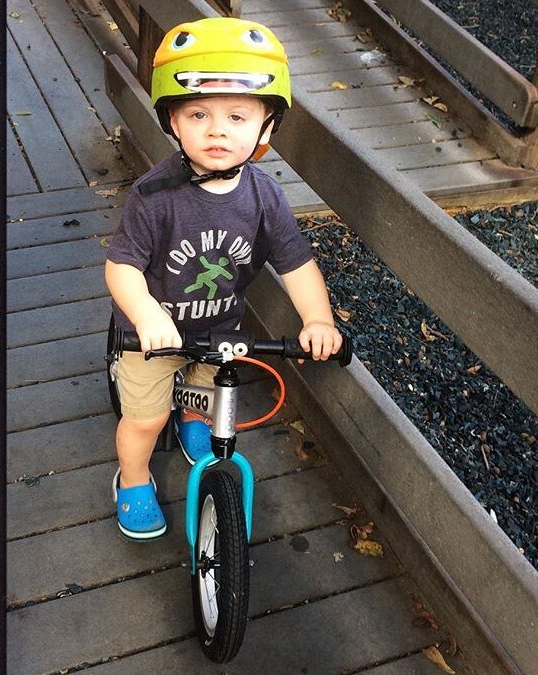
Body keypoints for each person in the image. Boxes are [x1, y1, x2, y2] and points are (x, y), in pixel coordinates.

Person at [105, 17, 343, 541]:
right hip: (152, 336)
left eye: (237, 116)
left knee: (207, 395)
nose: (217, 130)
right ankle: (134, 478)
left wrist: (317, 318)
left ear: (266, 127)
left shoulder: (266, 197)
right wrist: (145, 315)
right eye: (198, 114)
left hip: (221, 333)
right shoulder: (154, 196)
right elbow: (121, 265)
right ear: (172, 120)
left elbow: (296, 263)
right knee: (144, 419)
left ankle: (191, 416)